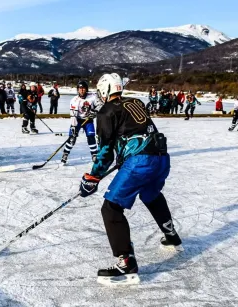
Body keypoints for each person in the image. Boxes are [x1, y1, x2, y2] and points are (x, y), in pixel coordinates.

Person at [78, 73, 181, 286]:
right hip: (161, 158)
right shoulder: (135, 101)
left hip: (140, 162)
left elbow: (105, 152)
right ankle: (171, 234)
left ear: (105, 90)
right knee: (151, 194)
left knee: (111, 208)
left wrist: (92, 177)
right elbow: (135, 130)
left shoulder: (106, 111)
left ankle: (126, 262)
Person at [61, 80, 99, 164]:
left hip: (88, 120)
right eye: (80, 88)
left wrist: (95, 111)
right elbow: (73, 115)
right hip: (77, 120)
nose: (82, 90)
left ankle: (94, 154)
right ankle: (65, 153)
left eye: (83, 88)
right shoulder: (74, 100)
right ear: (78, 90)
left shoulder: (93, 97)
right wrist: (74, 126)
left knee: (91, 136)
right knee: (72, 138)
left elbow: (100, 105)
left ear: (86, 89)